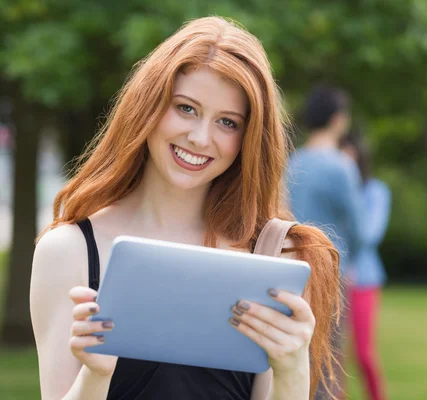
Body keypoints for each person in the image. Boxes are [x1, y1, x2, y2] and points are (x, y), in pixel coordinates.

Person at [29, 17, 341, 400]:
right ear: (149, 105)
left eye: (227, 122)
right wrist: (96, 374)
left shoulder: (276, 255)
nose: (199, 137)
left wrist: (292, 367)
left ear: (248, 139)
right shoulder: (69, 251)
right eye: (186, 108)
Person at [286, 85, 363, 398]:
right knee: (330, 356)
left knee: (299, 351)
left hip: (292, 268)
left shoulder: (293, 162)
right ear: (337, 119)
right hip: (331, 270)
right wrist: (355, 260)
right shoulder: (341, 166)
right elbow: (358, 228)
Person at [339, 132, 390, 400]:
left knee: (363, 352)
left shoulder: (374, 191)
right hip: (333, 277)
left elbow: (370, 233)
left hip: (364, 279)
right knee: (334, 354)